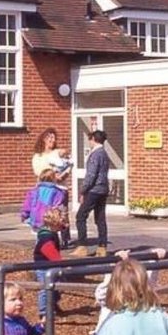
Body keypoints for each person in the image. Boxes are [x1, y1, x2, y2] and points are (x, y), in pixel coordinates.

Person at [74, 129, 111, 257]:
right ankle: (102, 247)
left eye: (90, 139)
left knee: (80, 216)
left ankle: (82, 246)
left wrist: (83, 190)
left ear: (94, 139)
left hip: (94, 190)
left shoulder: (95, 154)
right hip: (103, 189)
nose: (89, 142)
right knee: (100, 218)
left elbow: (91, 175)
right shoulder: (105, 154)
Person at [20, 168, 69, 248]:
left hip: (36, 218)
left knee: (41, 236)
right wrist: (64, 221)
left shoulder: (34, 191)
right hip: (51, 219)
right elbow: (61, 207)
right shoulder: (59, 192)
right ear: (54, 178)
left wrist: (24, 215)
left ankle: (41, 250)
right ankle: (51, 251)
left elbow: (27, 206)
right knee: (51, 236)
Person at [31, 208, 65, 319]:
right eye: (61, 223)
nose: (63, 226)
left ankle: (53, 304)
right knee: (45, 289)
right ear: (54, 224)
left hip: (51, 265)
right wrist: (59, 261)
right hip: (44, 266)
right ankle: (44, 312)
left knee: (55, 287)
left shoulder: (51, 232)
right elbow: (47, 249)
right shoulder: (46, 237)